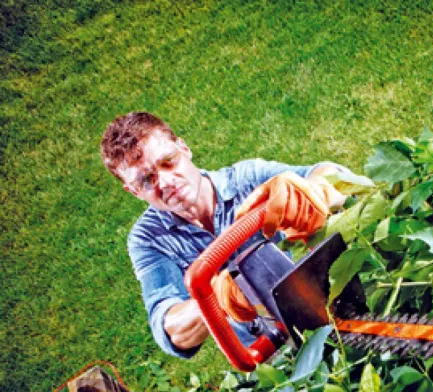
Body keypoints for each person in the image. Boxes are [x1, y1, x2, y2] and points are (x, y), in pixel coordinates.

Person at [100, 112, 348, 359]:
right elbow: (169, 329)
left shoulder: (246, 179)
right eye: (147, 180)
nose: (165, 182)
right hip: (276, 352)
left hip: (329, 300)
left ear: (184, 149)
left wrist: (311, 191)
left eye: (168, 161)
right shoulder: (148, 239)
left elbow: (331, 174)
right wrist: (216, 298)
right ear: (133, 191)